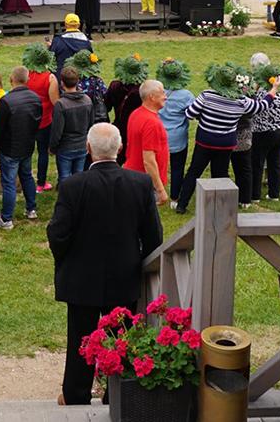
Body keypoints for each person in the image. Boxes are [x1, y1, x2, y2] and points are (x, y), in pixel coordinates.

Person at [47, 122, 163, 407]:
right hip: (124, 273)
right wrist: (140, 263)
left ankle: (75, 396)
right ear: (120, 149)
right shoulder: (140, 183)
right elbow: (154, 236)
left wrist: (67, 259)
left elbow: (58, 233)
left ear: (88, 149)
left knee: (80, 340)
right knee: (120, 339)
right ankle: (118, 394)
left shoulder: (73, 186)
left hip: (81, 275)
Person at [175, 65, 279, 212]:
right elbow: (261, 106)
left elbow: (190, 113)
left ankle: (182, 204)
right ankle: (219, 207)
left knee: (194, 171)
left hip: (204, 141)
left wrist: (203, 117)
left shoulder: (206, 95)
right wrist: (274, 89)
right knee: (220, 175)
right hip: (225, 144)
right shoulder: (241, 101)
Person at [0, 67, 42, 231]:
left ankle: (6, 219)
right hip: (27, 146)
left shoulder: (6, 101)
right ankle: (31, 209)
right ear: (27, 79)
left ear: (11, 79)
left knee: (9, 183)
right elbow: (37, 121)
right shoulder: (35, 98)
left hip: (10, 149)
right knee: (27, 176)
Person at [247, 55, 280, 203]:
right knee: (275, 162)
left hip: (263, 132)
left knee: (257, 163)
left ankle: (255, 195)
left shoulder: (263, 92)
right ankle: (274, 194)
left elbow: (255, 111)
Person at [124, 79, 171, 205]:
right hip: (144, 182)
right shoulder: (152, 123)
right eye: (162, 93)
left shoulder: (136, 113)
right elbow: (148, 161)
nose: (165, 97)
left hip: (132, 174)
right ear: (152, 97)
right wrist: (160, 190)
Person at [154, 60, 194, 200]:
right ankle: (175, 197)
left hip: (158, 136)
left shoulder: (156, 91)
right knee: (178, 167)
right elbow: (193, 113)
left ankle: (156, 193)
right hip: (178, 138)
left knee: (156, 166)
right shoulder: (186, 95)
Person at [24, 45, 60, 192]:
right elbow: (55, 103)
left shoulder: (26, 75)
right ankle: (41, 183)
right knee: (43, 152)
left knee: (26, 152)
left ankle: (24, 179)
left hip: (27, 120)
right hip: (45, 121)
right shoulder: (50, 78)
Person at [50, 67, 93, 183]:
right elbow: (91, 125)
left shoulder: (61, 104)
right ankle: (78, 198)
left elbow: (57, 130)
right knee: (78, 176)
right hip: (81, 145)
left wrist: (53, 147)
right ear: (77, 81)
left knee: (64, 177)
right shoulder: (87, 100)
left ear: (62, 83)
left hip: (66, 147)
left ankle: (66, 199)